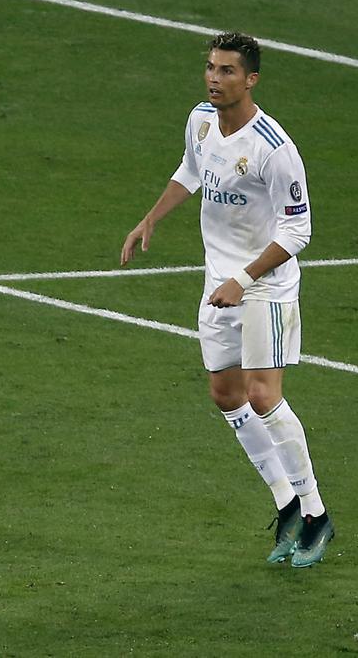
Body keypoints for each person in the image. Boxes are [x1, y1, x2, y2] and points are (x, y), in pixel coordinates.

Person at [121, 32, 333, 567]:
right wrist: (151, 218)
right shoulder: (199, 120)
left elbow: (298, 231)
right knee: (225, 394)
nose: (215, 78)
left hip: (264, 287)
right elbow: (191, 170)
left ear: (251, 79)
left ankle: (316, 515)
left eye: (227, 71)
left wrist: (244, 277)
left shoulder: (274, 148)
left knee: (263, 395)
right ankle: (286, 503)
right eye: (211, 68)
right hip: (219, 286)